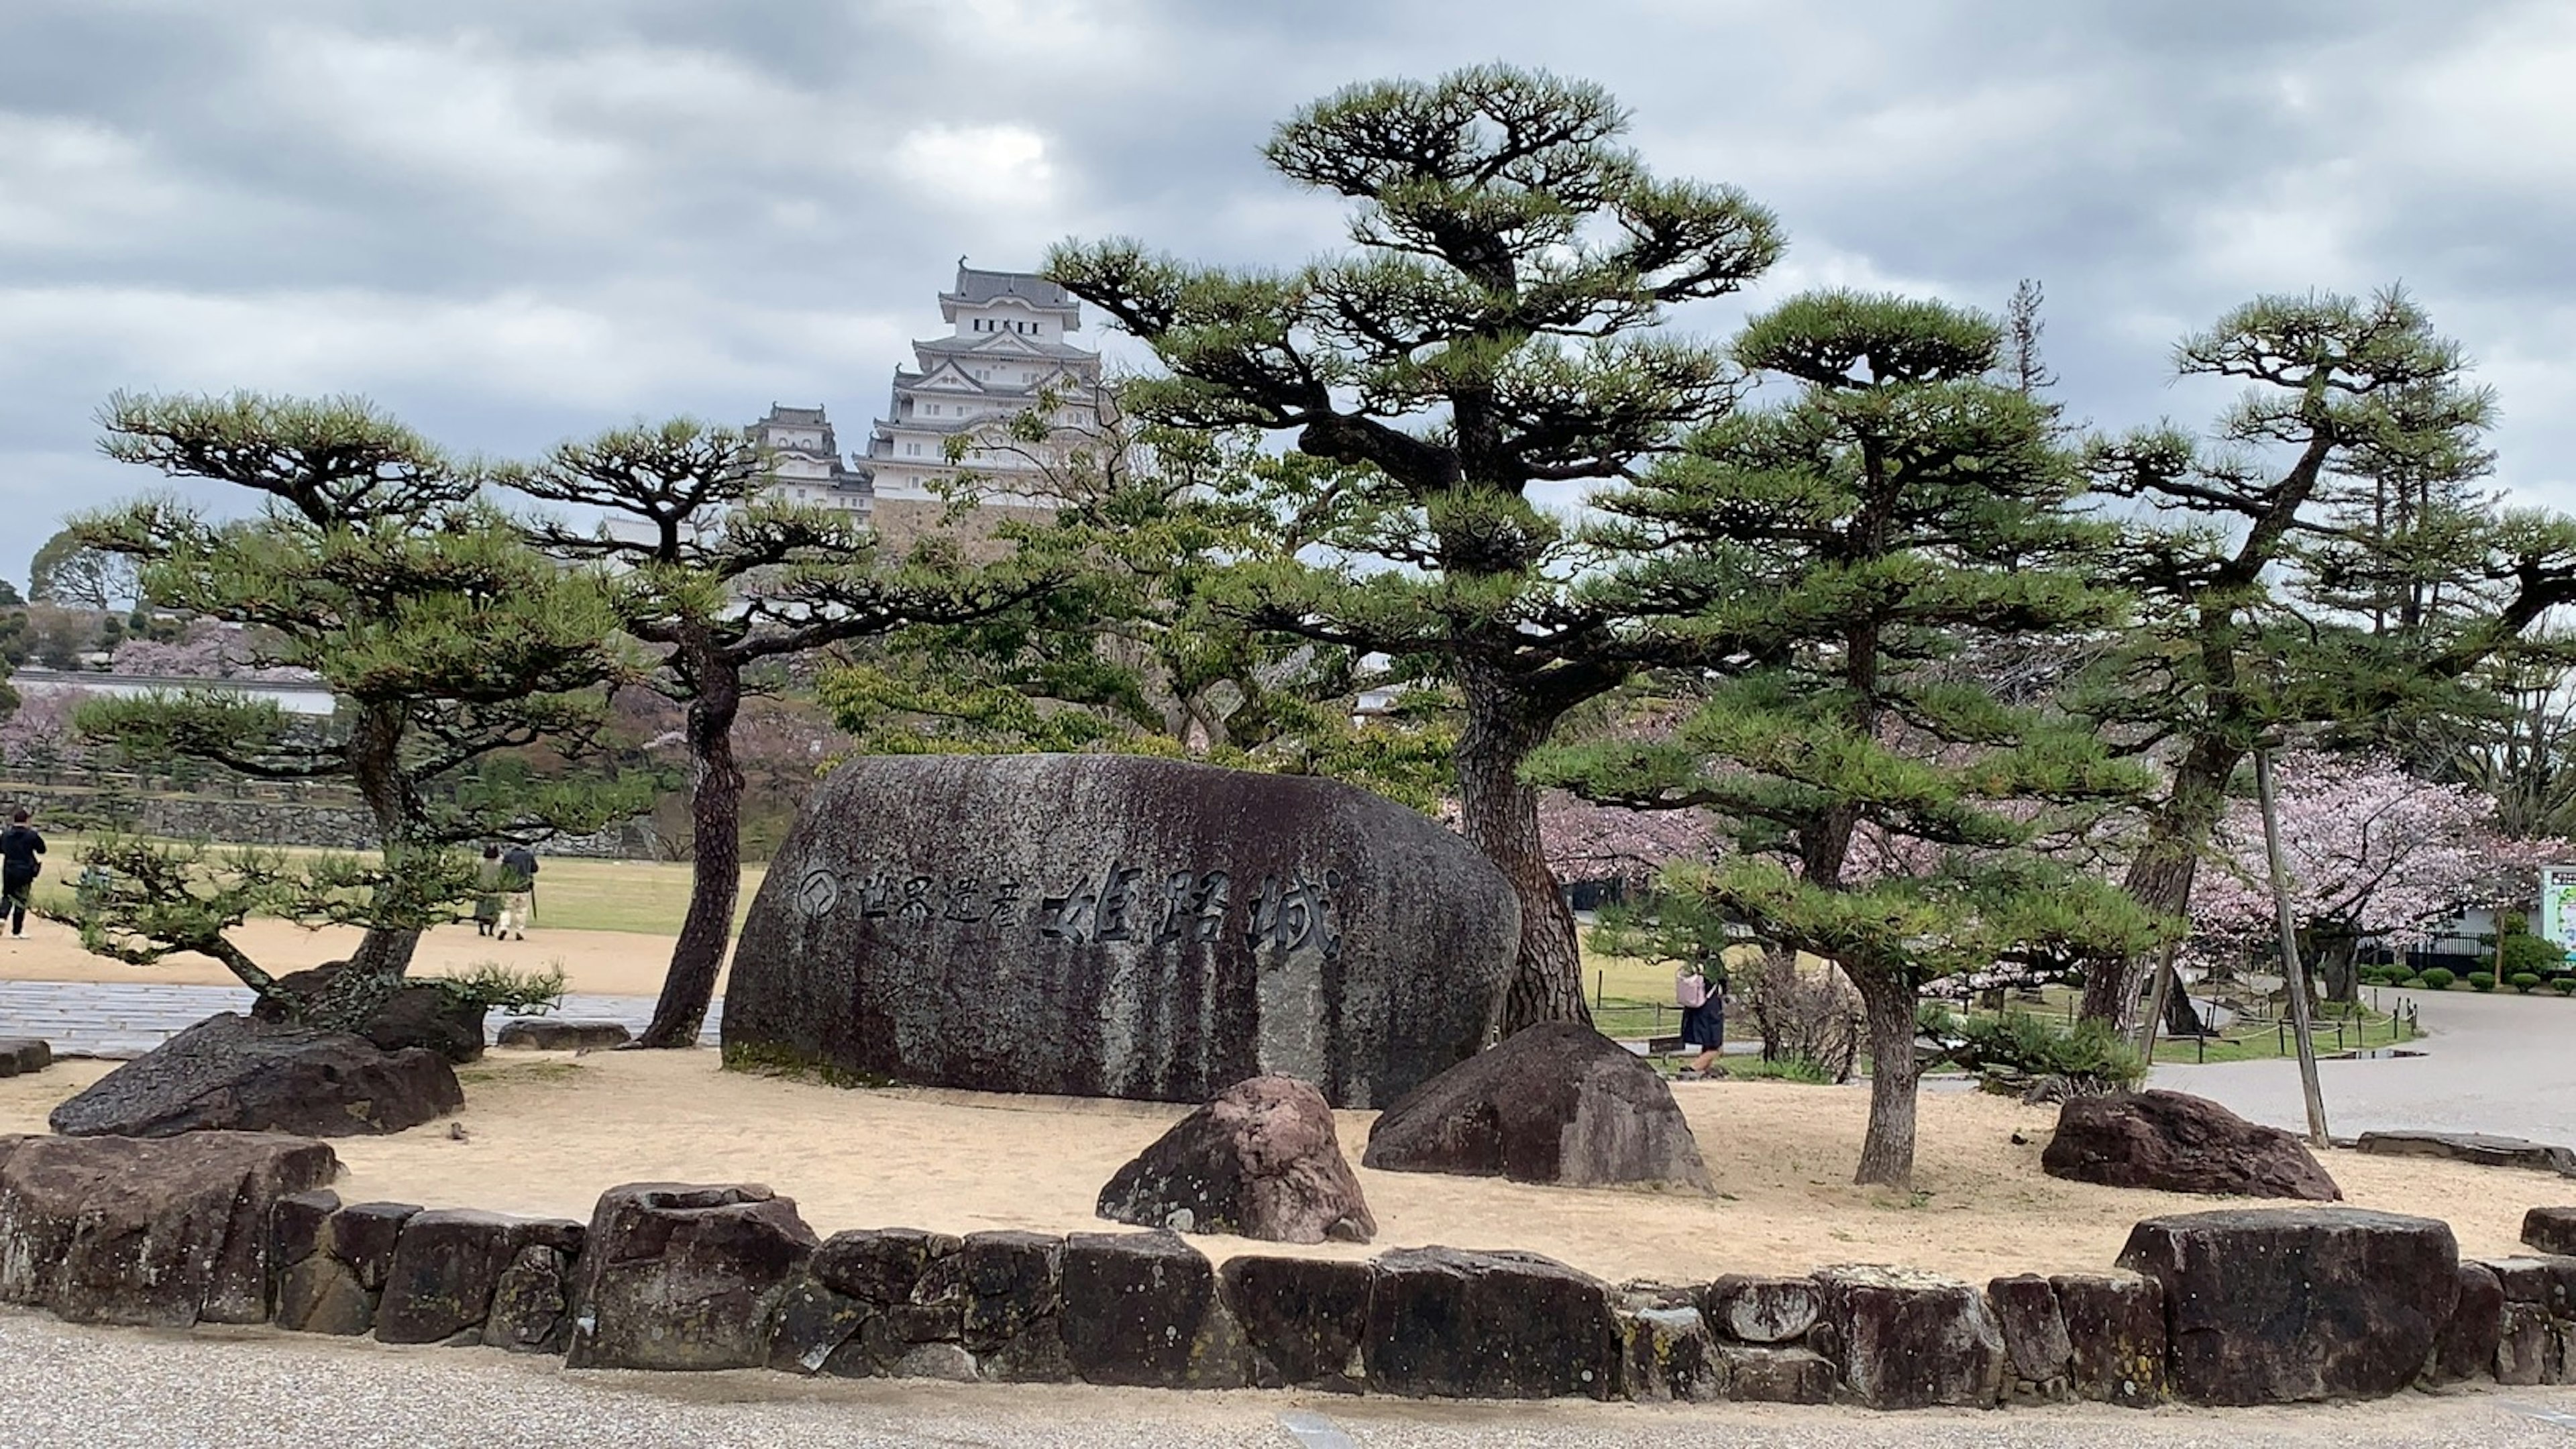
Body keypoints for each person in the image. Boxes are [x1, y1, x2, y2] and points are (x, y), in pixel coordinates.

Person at [1676, 956, 1726, 1079]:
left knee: (1707, 1043)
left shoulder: (1693, 963)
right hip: (1710, 1008)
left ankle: (1704, 1071)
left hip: (1694, 1007)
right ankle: (1692, 1068)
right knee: (1715, 1045)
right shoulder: (1714, 963)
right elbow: (1724, 980)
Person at [0, 808, 46, 939]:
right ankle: (17, 931)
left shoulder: (6, 834)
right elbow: (42, 850)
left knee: (7, 895)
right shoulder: (32, 835)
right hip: (25, 870)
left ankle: (2, 917)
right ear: (27, 820)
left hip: (9, 868)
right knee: (21, 899)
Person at [495, 843, 539, 941]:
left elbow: (503, 871)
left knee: (506, 909)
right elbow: (535, 869)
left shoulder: (508, 856)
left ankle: (504, 927)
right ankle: (519, 931)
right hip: (524, 887)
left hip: (510, 887)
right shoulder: (528, 856)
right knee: (522, 910)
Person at [472, 845, 504, 937]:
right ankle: (491, 930)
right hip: (495, 890)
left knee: (481, 909)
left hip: (481, 888)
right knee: (493, 911)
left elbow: (476, 874)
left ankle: (481, 929)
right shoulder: (499, 863)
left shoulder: (481, 862)